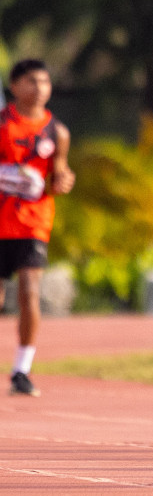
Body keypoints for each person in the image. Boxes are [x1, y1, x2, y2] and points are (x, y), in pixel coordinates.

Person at [0, 60, 74, 397]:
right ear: (14, 86)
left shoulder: (57, 131)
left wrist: (62, 180)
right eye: (32, 81)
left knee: (30, 289)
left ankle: (22, 368)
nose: (40, 88)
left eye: (45, 81)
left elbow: (59, 175)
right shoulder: (3, 125)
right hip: (2, 220)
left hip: (34, 221)